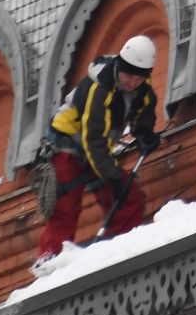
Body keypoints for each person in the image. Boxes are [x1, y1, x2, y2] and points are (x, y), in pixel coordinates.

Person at [33, 34, 162, 265]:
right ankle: (50, 261)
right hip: (66, 147)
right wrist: (113, 179)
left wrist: (144, 132)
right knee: (66, 208)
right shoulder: (100, 88)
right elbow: (94, 141)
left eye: (139, 78)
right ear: (120, 66)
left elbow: (145, 108)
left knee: (128, 198)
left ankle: (122, 246)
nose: (132, 82)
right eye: (128, 75)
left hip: (96, 152)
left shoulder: (141, 86)